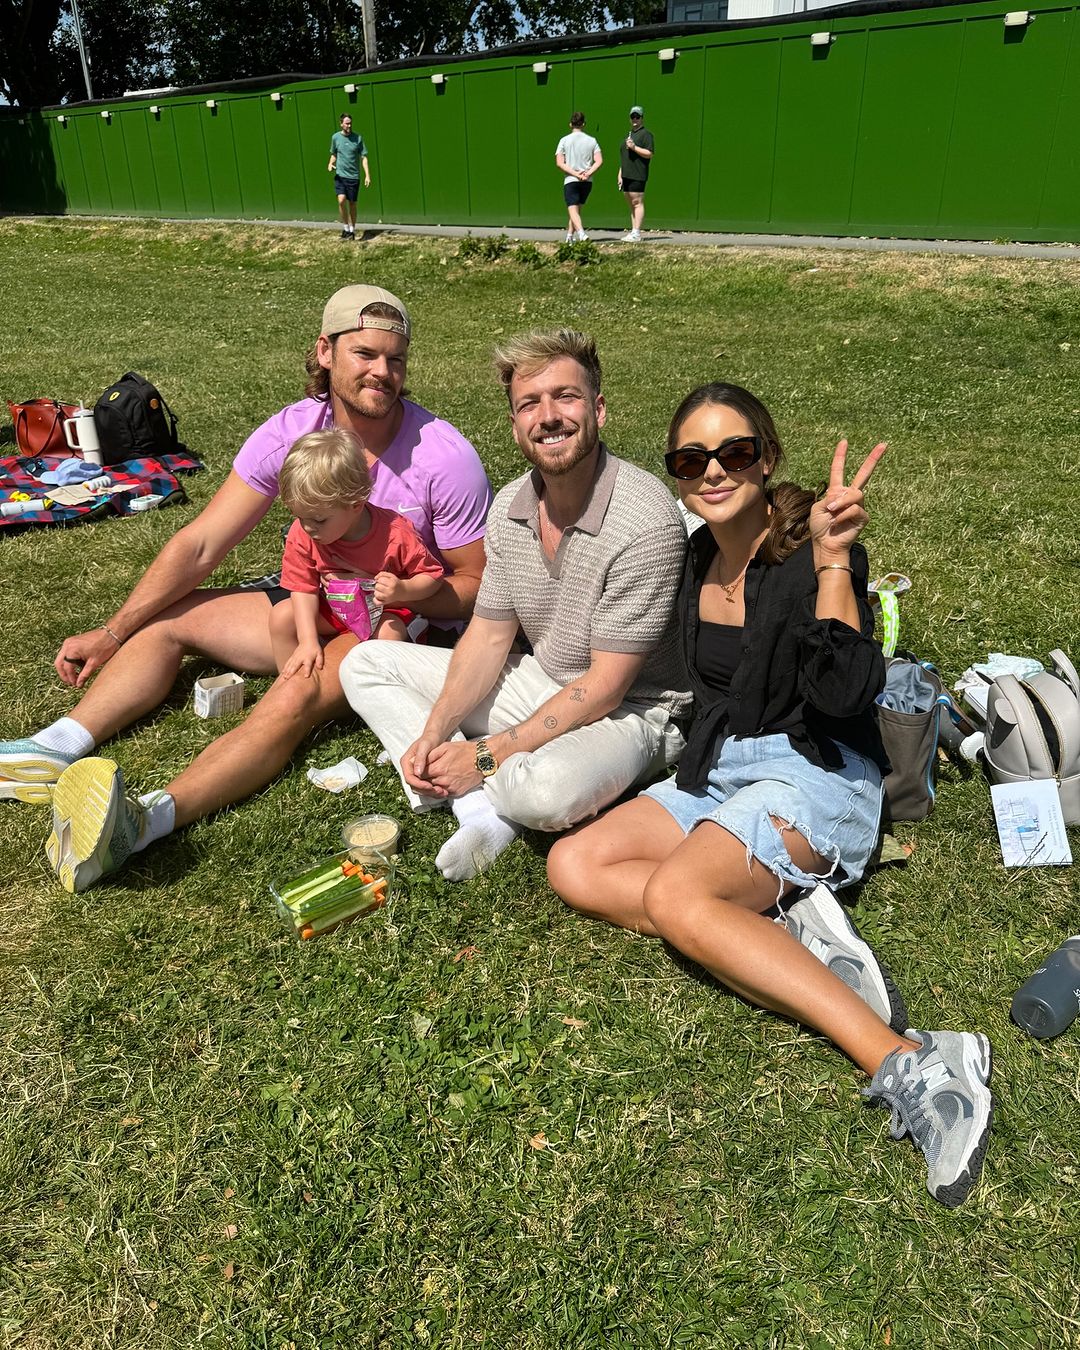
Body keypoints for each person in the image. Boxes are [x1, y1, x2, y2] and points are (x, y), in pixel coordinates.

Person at [547, 383, 994, 1208]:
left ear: (767, 457)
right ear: (677, 475)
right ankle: (784, 932)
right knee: (575, 864)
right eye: (691, 459)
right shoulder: (695, 556)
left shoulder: (809, 550)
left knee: (680, 899)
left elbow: (845, 692)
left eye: (735, 453)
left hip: (817, 772)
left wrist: (832, 563)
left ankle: (916, 1061)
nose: (713, 471)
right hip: (726, 770)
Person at [0, 285, 492, 892]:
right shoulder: (293, 431)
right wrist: (112, 631)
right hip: (310, 599)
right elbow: (203, 544)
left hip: (388, 628)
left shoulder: (444, 456)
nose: (382, 372)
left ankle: (145, 822)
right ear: (326, 351)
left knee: (290, 698)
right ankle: (55, 746)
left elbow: (477, 586)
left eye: (396, 359)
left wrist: (407, 600)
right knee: (166, 619)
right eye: (365, 354)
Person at [340, 328, 690, 882]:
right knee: (363, 663)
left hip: (636, 711)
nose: (548, 416)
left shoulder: (643, 520)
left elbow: (606, 686)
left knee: (544, 793)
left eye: (566, 397)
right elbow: (487, 636)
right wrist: (433, 732)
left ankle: (489, 782)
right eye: (530, 403)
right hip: (541, 680)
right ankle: (477, 807)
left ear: (599, 408)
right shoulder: (510, 507)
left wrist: (483, 757)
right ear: (514, 425)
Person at [270, 427, 447, 676]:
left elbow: (433, 577)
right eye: (299, 517)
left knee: (389, 633)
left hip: (384, 612)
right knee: (281, 616)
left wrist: (402, 589)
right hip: (333, 608)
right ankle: (293, 680)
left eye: (319, 520)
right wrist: (307, 639)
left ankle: (377, 693)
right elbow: (302, 587)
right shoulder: (302, 532)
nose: (308, 527)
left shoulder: (394, 533)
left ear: (355, 504)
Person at [555, 112, 602, 244]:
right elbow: (599, 161)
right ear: (583, 124)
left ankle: (581, 234)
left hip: (571, 180)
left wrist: (575, 174)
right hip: (587, 182)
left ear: (570, 124)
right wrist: (587, 174)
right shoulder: (592, 140)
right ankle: (569, 236)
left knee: (572, 209)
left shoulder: (564, 140)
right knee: (576, 210)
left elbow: (559, 163)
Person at [328, 113, 370, 241]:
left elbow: (364, 157)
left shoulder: (357, 138)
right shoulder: (335, 137)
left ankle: (352, 230)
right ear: (341, 124)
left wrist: (367, 175)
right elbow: (334, 153)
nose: (349, 125)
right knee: (341, 200)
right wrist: (330, 163)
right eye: (346, 123)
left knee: (352, 204)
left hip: (353, 177)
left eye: (350, 123)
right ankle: (345, 228)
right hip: (340, 176)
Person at [618, 105, 654, 243]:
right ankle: (633, 231)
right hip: (626, 174)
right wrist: (620, 173)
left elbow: (649, 153)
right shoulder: (630, 134)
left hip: (638, 174)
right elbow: (625, 157)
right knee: (631, 204)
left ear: (642, 118)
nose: (635, 119)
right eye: (633, 116)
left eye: (637, 117)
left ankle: (637, 233)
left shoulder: (646, 135)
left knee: (637, 202)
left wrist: (635, 148)